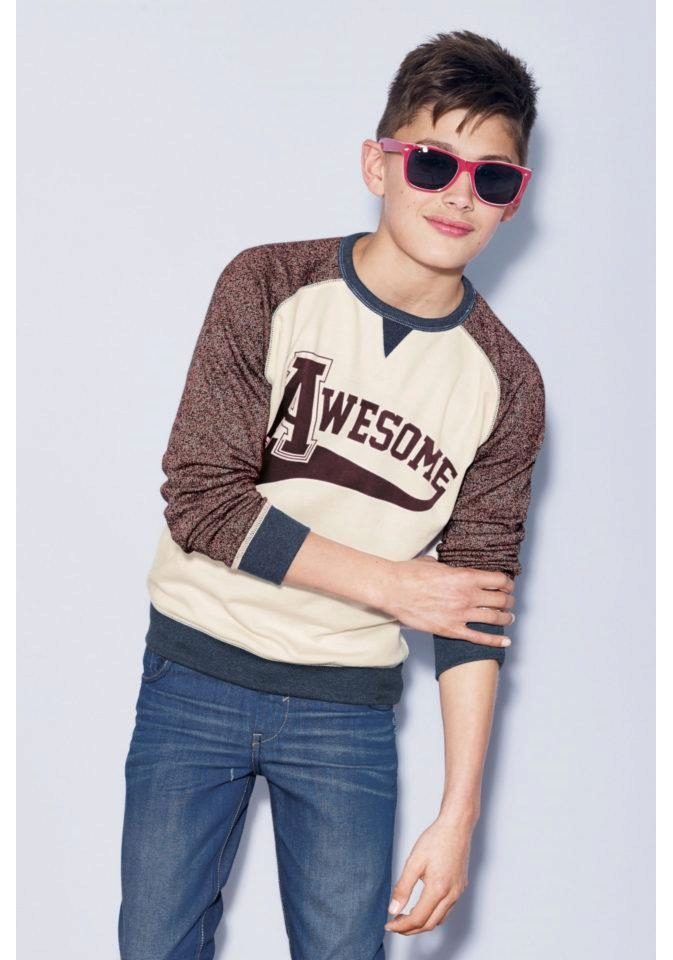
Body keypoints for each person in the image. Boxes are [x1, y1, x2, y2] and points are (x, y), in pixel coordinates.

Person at [117, 27, 546, 960]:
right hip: (195, 675)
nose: (458, 195)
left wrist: (458, 815)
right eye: (431, 163)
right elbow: (202, 501)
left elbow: (472, 607)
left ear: (513, 201)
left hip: (345, 712)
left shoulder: (507, 383)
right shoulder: (268, 283)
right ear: (376, 164)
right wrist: (392, 585)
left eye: (491, 178)